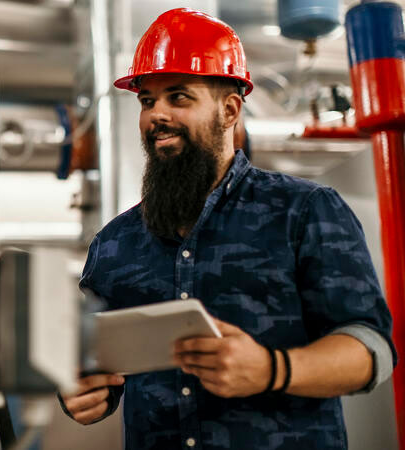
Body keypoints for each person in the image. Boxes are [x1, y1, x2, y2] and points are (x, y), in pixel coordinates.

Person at [59, 8, 395, 450]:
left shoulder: (304, 212)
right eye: (147, 100)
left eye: (179, 97)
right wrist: (81, 393)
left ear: (229, 110)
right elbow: (91, 363)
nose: (156, 115)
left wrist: (274, 369)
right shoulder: (114, 244)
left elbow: (371, 351)